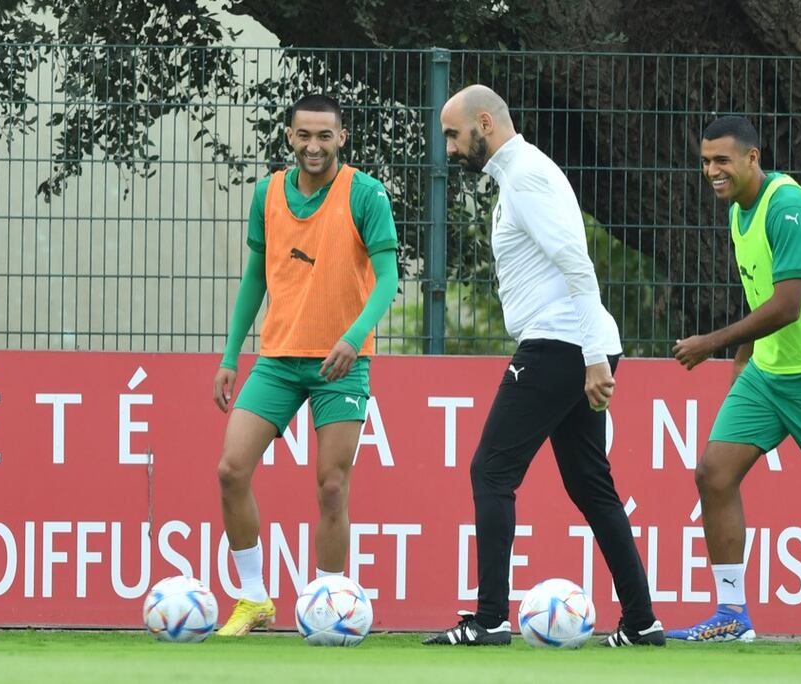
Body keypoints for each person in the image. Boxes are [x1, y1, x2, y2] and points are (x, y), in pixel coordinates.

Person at [424, 84, 664, 648]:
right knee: (590, 485)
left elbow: (576, 264)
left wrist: (594, 360)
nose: (451, 149)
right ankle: (642, 622)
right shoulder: (519, 176)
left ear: (485, 123)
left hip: (561, 345)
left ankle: (488, 621)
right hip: (571, 343)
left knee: (491, 472)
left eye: (454, 135)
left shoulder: (527, 175)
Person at [668, 115, 801, 642]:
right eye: (706, 161)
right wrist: (744, 357)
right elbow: (762, 294)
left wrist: (711, 343)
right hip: (768, 373)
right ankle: (732, 615)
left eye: (722, 160)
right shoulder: (741, 209)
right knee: (713, 475)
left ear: (752, 158)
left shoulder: (786, 205)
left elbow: (786, 306)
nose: (712, 170)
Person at [211, 94, 399, 636]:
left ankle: (328, 606)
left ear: (342, 138)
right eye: (303, 135)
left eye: (324, 136)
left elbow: (387, 279)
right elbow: (255, 278)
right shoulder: (268, 192)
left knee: (332, 486)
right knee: (231, 470)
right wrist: (229, 357)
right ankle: (253, 600)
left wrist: (354, 337)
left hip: (342, 363)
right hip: (276, 360)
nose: (313, 146)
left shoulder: (365, 194)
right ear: (289, 137)